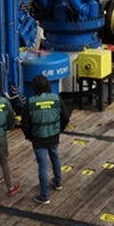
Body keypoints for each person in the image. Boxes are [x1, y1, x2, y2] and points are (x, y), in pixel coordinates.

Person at [21, 74, 70, 205]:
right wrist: (58, 129)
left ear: (34, 87)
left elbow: (25, 124)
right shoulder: (56, 99)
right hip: (53, 135)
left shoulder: (30, 103)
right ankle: (58, 181)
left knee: (42, 165)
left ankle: (44, 194)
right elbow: (65, 118)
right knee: (55, 157)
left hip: (38, 138)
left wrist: (30, 136)